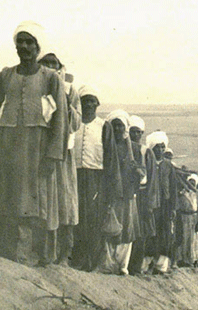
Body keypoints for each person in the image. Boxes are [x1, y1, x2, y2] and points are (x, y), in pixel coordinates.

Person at [0, 21, 68, 265]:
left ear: (38, 47)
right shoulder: (5, 76)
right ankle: (2, 258)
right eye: (21, 41)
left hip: (36, 151)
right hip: (7, 148)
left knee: (37, 202)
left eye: (30, 42)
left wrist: (53, 155)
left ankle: (38, 259)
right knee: (5, 200)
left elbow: (60, 120)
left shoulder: (50, 79)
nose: (24, 46)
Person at [38, 50, 81, 265]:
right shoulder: (36, 86)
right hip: (39, 152)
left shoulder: (69, 91)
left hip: (63, 155)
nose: (50, 68)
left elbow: (75, 123)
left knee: (65, 202)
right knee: (45, 202)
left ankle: (64, 254)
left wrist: (63, 101)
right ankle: (45, 253)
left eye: (53, 64)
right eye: (45, 63)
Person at [72, 84, 122, 271]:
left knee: (93, 219)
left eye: (93, 101)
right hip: (75, 174)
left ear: (98, 104)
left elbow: (111, 158)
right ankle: (76, 258)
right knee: (76, 216)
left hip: (96, 178)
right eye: (86, 101)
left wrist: (111, 186)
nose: (89, 105)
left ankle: (92, 262)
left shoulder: (104, 126)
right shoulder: (74, 123)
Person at [98, 110, 144, 275]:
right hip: (110, 193)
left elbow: (142, 171)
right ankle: (107, 263)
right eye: (114, 126)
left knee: (126, 230)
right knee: (109, 227)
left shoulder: (135, 149)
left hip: (127, 194)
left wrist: (138, 171)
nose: (118, 129)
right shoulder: (105, 146)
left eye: (121, 126)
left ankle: (122, 265)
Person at [127, 115, 159, 275]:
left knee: (141, 232)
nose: (136, 135)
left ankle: (135, 267)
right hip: (126, 195)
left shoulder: (147, 152)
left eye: (139, 132)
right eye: (133, 132)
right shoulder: (123, 148)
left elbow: (153, 180)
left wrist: (150, 203)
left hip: (142, 197)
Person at [146, 131, 178, 273]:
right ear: (151, 148)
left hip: (164, 205)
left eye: (162, 147)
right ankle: (145, 264)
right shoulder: (147, 162)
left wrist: (172, 208)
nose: (159, 150)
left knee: (164, 234)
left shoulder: (168, 166)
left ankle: (161, 266)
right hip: (150, 204)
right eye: (156, 147)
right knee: (150, 233)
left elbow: (173, 188)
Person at [175, 173, 198, 267]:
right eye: (190, 182)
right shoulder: (182, 192)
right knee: (183, 237)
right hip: (183, 217)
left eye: (193, 182)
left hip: (193, 218)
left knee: (191, 239)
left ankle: (190, 259)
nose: (191, 184)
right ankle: (181, 259)